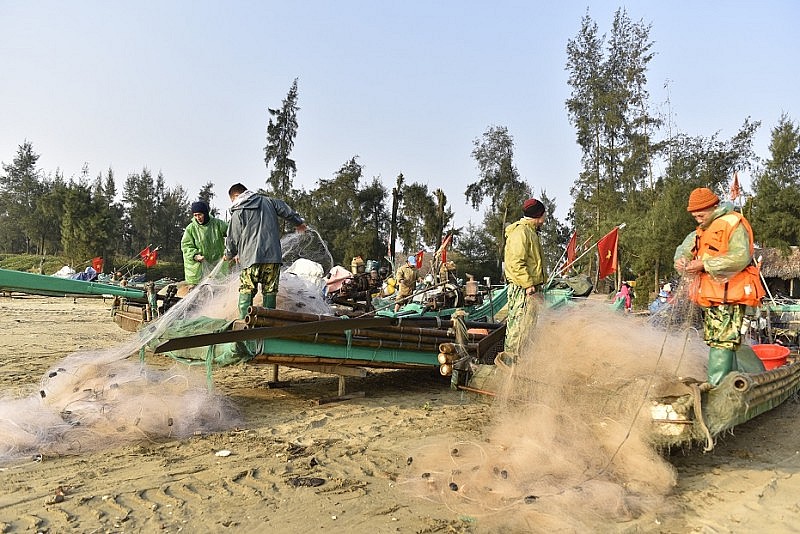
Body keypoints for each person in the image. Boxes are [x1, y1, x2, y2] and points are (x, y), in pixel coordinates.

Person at [674, 187, 765, 386]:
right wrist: (681, 261)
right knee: (728, 341)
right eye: (694, 216)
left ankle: (717, 387)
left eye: (701, 215)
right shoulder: (700, 231)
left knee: (723, 342)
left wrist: (705, 264)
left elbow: (740, 257)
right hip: (712, 297)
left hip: (731, 295)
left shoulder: (733, 223)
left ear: (714, 207)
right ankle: (753, 379)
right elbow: (684, 250)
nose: (698, 219)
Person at [223, 183, 307, 318]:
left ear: (236, 196)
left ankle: (245, 325)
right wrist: (298, 223)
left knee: (247, 290)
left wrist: (229, 254)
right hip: (273, 258)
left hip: (251, 260)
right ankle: (267, 326)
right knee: (270, 291)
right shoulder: (269, 201)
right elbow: (286, 210)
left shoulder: (239, 210)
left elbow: (233, 237)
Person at [502, 197, 547, 361]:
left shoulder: (531, 232)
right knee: (518, 329)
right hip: (523, 290)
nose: (545, 219)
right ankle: (509, 365)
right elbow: (515, 262)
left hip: (531, 288)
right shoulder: (521, 233)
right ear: (538, 215)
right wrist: (528, 284)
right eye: (543, 215)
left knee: (528, 329)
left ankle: (521, 363)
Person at [180, 201, 228, 289]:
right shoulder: (191, 229)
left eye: (200, 214)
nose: (198, 218)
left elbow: (232, 233)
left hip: (217, 268)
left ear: (205, 213)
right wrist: (194, 255)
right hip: (198, 271)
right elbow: (186, 246)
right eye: (195, 215)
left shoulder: (218, 224)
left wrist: (231, 251)